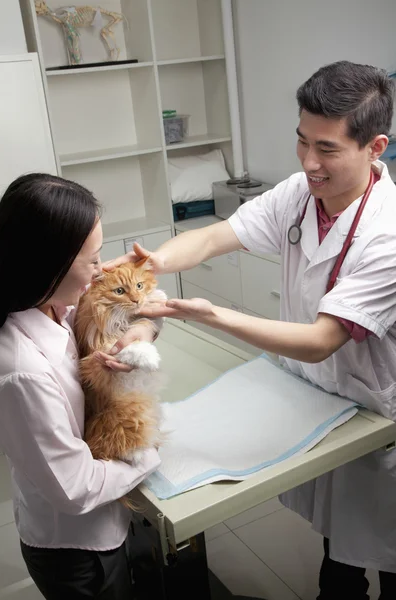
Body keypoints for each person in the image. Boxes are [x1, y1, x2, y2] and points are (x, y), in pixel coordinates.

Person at [108, 61, 396, 599]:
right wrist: (151, 264)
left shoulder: (388, 235)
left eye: (328, 149)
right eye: (302, 142)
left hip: (376, 413)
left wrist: (208, 314)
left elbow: (319, 341)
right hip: (318, 397)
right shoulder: (299, 192)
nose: (310, 162)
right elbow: (219, 235)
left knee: (387, 548)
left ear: (375, 147)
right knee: (339, 560)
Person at [0, 173, 161, 599]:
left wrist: (141, 329)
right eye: (92, 260)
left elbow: (123, 318)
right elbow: (76, 486)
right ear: (49, 263)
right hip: (74, 547)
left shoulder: (51, 306)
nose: (101, 270)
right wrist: (148, 458)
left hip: (97, 524)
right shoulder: (20, 370)